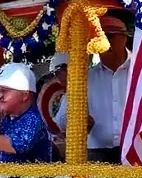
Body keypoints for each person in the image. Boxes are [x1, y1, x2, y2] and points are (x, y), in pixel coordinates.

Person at [54, 10, 131, 163]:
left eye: (108, 36)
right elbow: (61, 121)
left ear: (124, 38)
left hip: (135, 152)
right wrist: (76, 118)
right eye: (96, 39)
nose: (102, 44)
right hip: (96, 155)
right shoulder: (84, 79)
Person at [0, 63, 52, 164]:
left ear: (25, 96)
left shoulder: (33, 119)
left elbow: (16, 146)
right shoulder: (7, 119)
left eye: (5, 91)